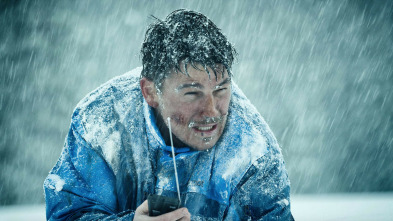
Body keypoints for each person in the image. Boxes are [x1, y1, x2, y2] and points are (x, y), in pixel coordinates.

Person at [44, 9, 293, 220]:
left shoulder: (253, 150)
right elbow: (69, 213)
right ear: (150, 91)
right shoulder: (101, 124)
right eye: (192, 93)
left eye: (221, 90)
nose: (211, 111)